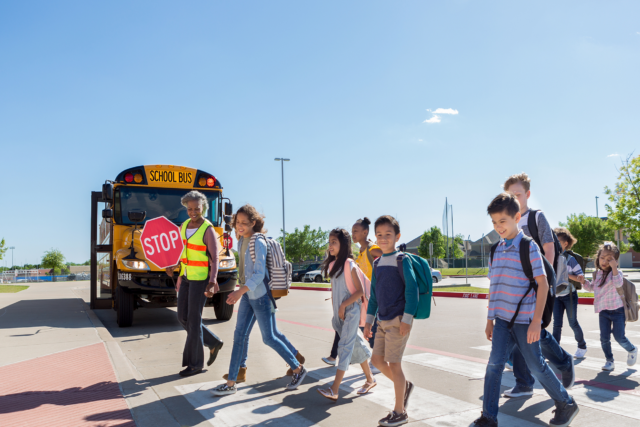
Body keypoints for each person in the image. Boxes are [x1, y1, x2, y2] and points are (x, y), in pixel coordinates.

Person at [473, 193, 578, 427]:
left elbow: (542, 284)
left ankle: (566, 402)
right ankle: (489, 416)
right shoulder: (495, 250)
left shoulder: (528, 246)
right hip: (501, 320)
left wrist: (536, 322)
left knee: (536, 366)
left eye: (503, 221)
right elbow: (495, 287)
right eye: (494, 222)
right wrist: (490, 319)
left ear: (516, 217)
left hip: (525, 320)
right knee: (494, 365)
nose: (498, 226)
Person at [211, 204, 307, 396]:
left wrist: (239, 292)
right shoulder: (240, 241)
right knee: (239, 336)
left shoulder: (258, 242)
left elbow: (258, 274)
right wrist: (242, 291)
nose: (239, 226)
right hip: (247, 295)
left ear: (253, 223)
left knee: (269, 337)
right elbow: (245, 272)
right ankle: (231, 382)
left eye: (244, 223)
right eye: (237, 222)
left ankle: (298, 368)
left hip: (261, 296)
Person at [503, 173, 575, 399]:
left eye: (518, 194)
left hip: (538, 285)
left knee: (533, 330)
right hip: (517, 287)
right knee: (516, 329)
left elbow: (549, 248)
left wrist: (544, 281)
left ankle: (563, 361)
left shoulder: (536, 217)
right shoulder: (508, 221)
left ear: (527, 195)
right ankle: (524, 383)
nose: (514, 198)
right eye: (510, 195)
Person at [363, 215, 418, 427]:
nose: (383, 238)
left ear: (397, 236)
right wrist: (368, 321)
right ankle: (404, 386)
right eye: (379, 235)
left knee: (394, 364)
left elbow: (412, 292)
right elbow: (374, 295)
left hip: (398, 320)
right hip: (381, 321)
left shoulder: (401, 260)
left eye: (388, 234)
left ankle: (399, 412)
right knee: (376, 361)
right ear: (375, 237)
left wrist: (407, 319)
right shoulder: (377, 263)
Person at [165, 190, 224, 377]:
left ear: (203, 207)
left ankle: (196, 364)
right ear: (185, 208)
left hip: (201, 280)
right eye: (190, 209)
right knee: (182, 317)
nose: (193, 212)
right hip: (186, 277)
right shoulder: (183, 226)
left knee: (194, 320)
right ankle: (212, 341)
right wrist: (174, 266)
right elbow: (182, 252)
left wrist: (213, 281)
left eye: (197, 208)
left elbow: (215, 259)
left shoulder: (208, 229)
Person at [316, 229, 376, 402]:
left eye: (334, 242)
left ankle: (334, 389)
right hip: (340, 315)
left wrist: (343, 305)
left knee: (345, 347)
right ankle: (370, 379)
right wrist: (337, 309)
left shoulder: (350, 264)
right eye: (330, 242)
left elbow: (360, 292)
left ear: (343, 245)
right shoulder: (333, 265)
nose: (330, 245)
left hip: (351, 311)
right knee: (355, 344)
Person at [322, 217, 382, 374]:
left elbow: (386, 258)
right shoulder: (360, 252)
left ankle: (376, 361)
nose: (353, 234)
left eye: (356, 231)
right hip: (363, 296)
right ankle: (366, 369)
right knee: (357, 331)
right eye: (353, 231)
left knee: (370, 328)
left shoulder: (372, 249)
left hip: (373, 294)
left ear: (365, 232)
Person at [583, 242, 638, 371]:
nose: (604, 261)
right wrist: (583, 282)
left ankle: (632, 349)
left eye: (609, 259)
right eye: (602, 258)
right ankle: (609, 361)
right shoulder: (597, 274)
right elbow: (592, 288)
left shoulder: (617, 272)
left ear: (615, 261)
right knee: (604, 338)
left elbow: (618, 284)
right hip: (603, 311)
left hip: (618, 310)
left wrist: (614, 268)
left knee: (619, 336)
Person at [552, 227, 588, 359]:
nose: (554, 244)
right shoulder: (552, 257)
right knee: (557, 324)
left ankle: (582, 346)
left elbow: (581, 278)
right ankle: (554, 350)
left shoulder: (570, 259)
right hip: (556, 296)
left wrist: (565, 274)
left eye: (557, 242)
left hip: (570, 296)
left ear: (565, 243)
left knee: (572, 322)